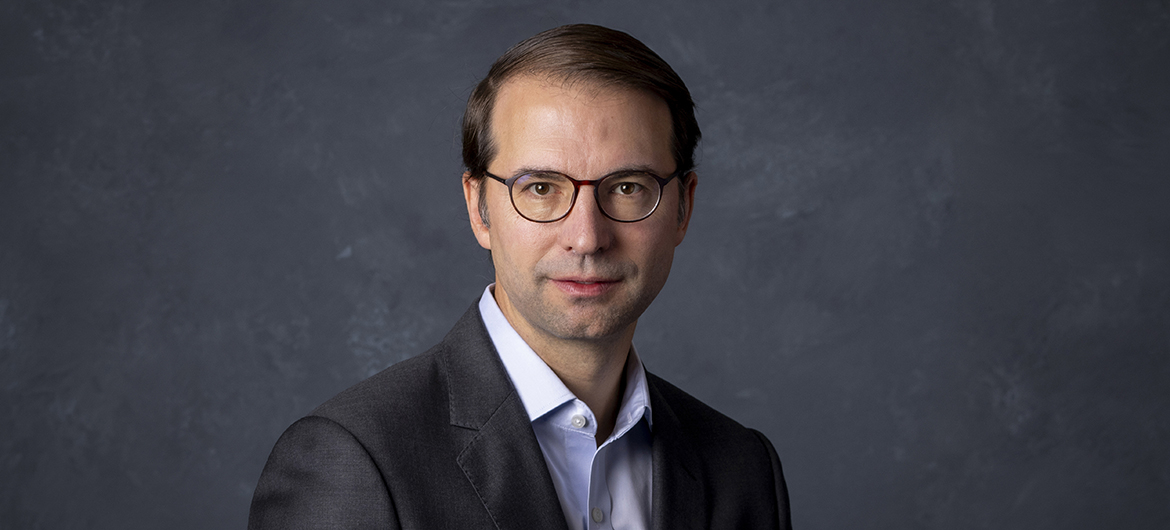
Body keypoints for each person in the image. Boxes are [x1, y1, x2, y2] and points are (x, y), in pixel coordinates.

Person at [249, 24, 791, 530]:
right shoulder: (353, 461)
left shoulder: (741, 468)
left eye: (628, 187)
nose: (587, 237)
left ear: (683, 208)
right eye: (540, 188)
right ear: (479, 208)